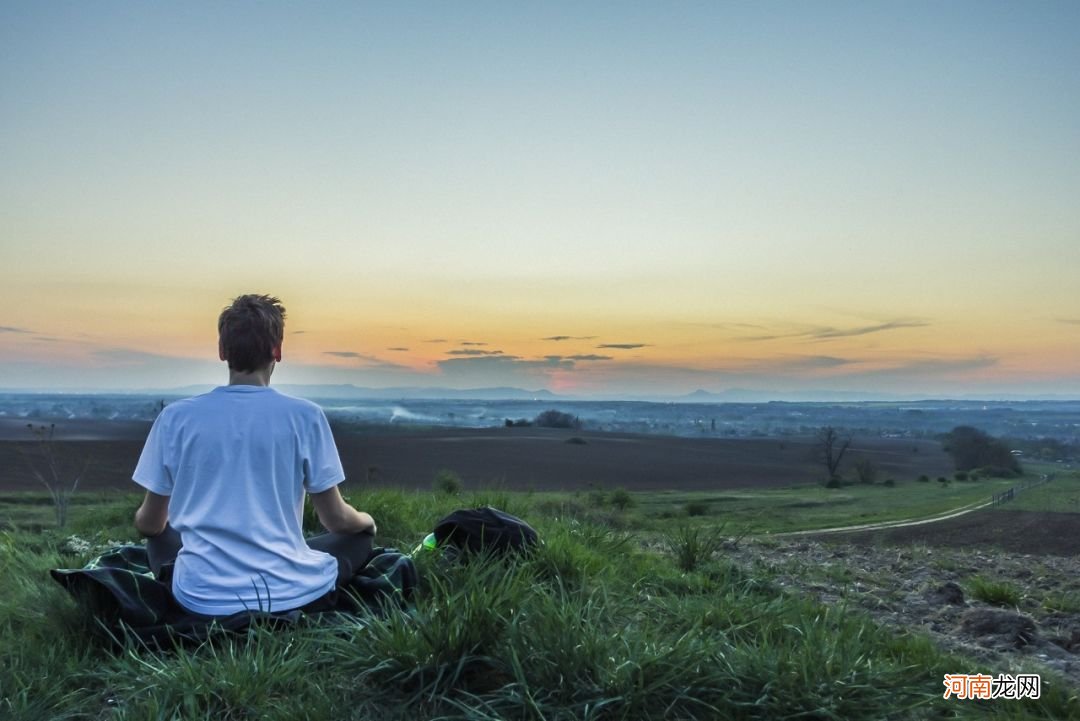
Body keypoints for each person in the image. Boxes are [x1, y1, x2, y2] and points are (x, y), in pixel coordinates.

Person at [132, 294, 376, 616]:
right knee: (357, 540)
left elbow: (149, 524)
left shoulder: (176, 418)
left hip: (200, 598)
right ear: (277, 350)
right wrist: (367, 522)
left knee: (161, 536)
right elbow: (336, 521)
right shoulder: (305, 416)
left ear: (222, 351)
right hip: (289, 593)